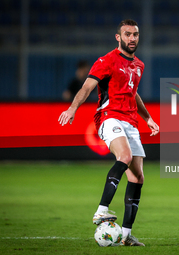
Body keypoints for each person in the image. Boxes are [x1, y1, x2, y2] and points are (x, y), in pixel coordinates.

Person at [58, 19, 159, 246]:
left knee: (137, 177)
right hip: (109, 117)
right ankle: (101, 210)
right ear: (118, 37)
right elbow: (86, 87)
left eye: (135, 34)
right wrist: (72, 108)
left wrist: (148, 118)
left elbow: (134, 94)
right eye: (127, 34)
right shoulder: (106, 61)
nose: (132, 38)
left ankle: (125, 236)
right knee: (124, 157)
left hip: (131, 121)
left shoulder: (139, 65)